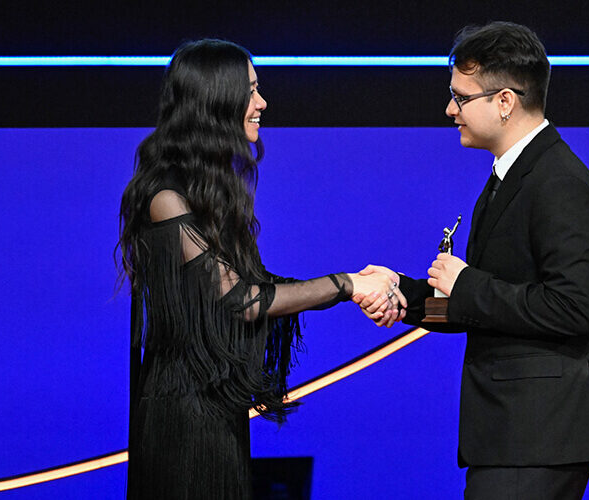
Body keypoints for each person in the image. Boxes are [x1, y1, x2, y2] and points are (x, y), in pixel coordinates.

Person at [117, 39, 404, 499]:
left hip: (212, 409)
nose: (261, 103)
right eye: (250, 90)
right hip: (182, 420)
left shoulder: (208, 192)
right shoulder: (165, 197)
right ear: (216, 100)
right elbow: (241, 301)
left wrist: (357, 279)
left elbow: (256, 287)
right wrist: (347, 285)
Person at [355, 22, 589, 499]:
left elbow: (571, 309)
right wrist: (404, 295)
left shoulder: (558, 180)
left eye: (461, 97)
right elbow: (482, 301)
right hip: (510, 435)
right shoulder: (510, 175)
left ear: (504, 102)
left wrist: (468, 284)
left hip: (539, 436)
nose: (450, 110)